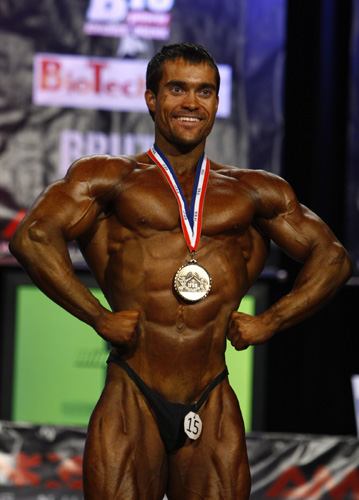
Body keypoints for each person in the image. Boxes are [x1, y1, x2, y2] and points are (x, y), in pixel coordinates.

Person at [10, 42, 352, 500]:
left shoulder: (252, 191)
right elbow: (32, 237)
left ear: (217, 102)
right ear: (152, 99)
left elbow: (332, 257)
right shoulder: (107, 178)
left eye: (205, 92)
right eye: (178, 89)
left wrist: (272, 320)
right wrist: (97, 316)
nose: (192, 102)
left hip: (210, 393)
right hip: (132, 390)